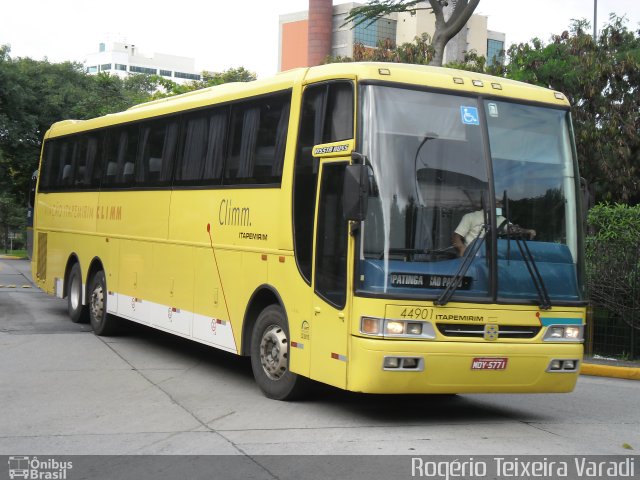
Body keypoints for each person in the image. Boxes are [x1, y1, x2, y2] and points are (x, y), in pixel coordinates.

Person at [452, 205, 536, 256]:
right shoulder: (470, 217)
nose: (501, 206)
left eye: (501, 203)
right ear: (489, 203)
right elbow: (456, 237)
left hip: (496, 258)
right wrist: (462, 248)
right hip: (474, 258)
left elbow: (512, 229)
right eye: (498, 203)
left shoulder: (500, 218)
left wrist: (527, 231)